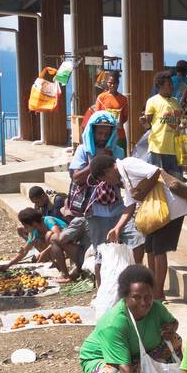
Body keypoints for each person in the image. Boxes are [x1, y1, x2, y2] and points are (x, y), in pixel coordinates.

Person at [78, 263, 180, 373]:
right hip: (102, 360)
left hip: (136, 355)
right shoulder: (114, 323)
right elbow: (124, 366)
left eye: (148, 296)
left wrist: (171, 328)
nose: (144, 302)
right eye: (136, 297)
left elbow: (174, 323)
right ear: (125, 296)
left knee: (174, 340)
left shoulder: (157, 308)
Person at [88, 150, 187, 303]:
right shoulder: (125, 180)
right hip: (157, 213)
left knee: (159, 250)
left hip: (170, 208)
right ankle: (153, 288)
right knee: (149, 248)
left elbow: (155, 171)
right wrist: (117, 228)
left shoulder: (128, 164)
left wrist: (141, 192)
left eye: (104, 179)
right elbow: (130, 207)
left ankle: (158, 293)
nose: (107, 183)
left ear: (107, 172)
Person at [70, 111, 142, 269]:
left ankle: (136, 275)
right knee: (100, 253)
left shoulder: (118, 152)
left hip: (117, 208)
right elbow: (76, 177)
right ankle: (101, 290)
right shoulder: (83, 151)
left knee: (136, 241)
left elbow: (124, 180)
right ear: (92, 132)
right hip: (95, 211)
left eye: (106, 133)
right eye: (99, 133)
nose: (102, 137)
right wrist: (96, 163)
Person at [1, 207, 84, 280]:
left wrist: (45, 251)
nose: (25, 228)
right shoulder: (34, 231)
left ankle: (66, 273)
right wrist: (8, 265)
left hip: (73, 245)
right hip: (57, 248)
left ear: (33, 223)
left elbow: (58, 237)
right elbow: (24, 251)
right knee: (38, 241)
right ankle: (61, 269)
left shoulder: (48, 220)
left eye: (26, 226)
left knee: (49, 236)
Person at [142, 71, 183, 176]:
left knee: (175, 180)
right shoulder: (152, 101)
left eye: (171, 84)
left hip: (174, 148)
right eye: (168, 84)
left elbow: (180, 121)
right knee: (157, 180)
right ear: (160, 85)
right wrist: (144, 122)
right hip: (157, 148)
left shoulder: (176, 101)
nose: (171, 86)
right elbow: (147, 125)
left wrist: (184, 123)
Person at [81, 71, 129, 135]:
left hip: (119, 133)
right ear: (107, 83)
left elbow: (125, 117)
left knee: (120, 145)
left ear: (118, 83)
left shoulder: (124, 99)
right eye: (110, 83)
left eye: (114, 83)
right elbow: (97, 116)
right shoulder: (101, 97)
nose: (112, 85)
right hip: (105, 134)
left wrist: (119, 122)